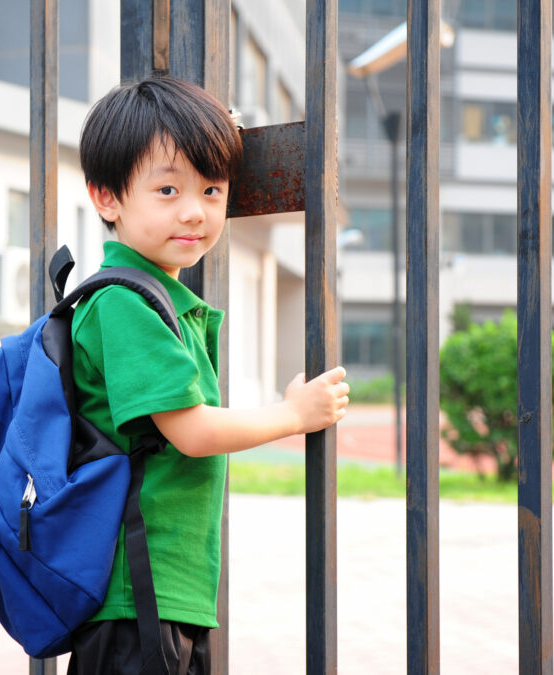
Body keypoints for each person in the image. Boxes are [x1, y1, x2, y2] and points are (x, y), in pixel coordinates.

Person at [69, 76, 349, 675]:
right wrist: (295, 415)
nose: (195, 210)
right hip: (137, 596)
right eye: (167, 189)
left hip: (163, 591)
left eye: (212, 190)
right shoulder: (124, 305)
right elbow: (191, 431)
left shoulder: (160, 302)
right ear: (106, 197)